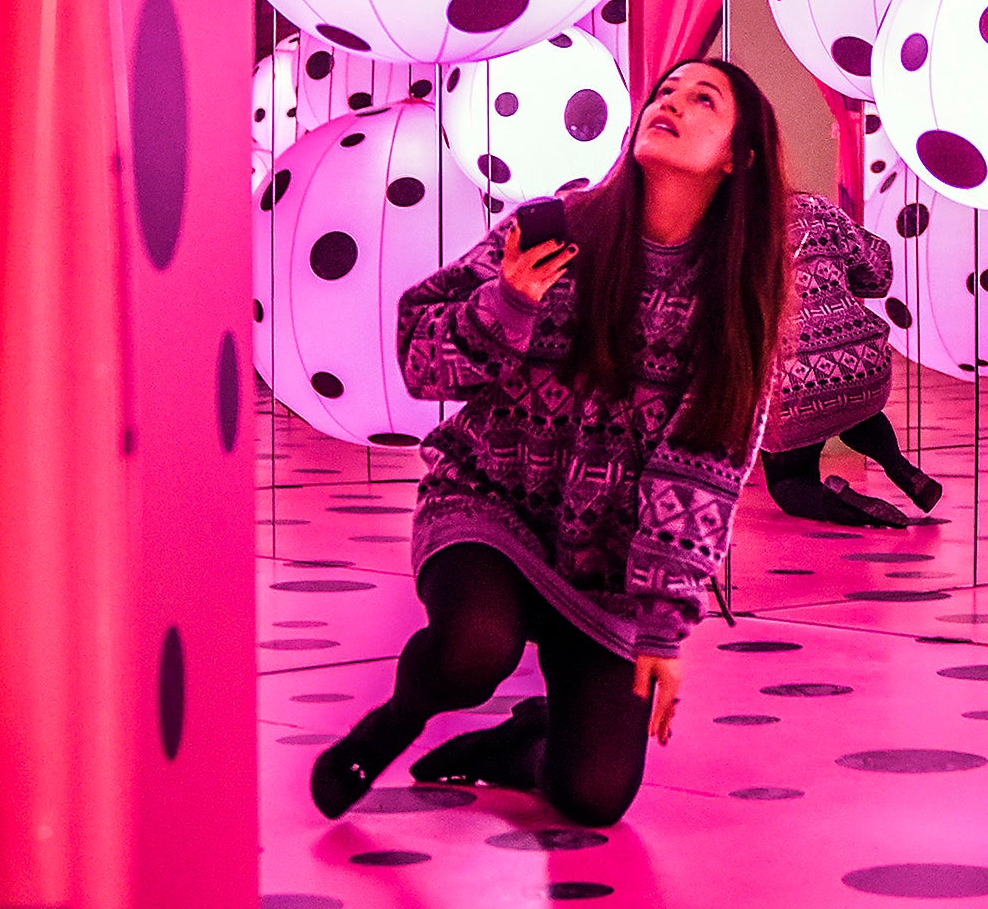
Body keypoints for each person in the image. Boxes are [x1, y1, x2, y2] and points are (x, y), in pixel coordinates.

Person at [309, 59, 792, 827]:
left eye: (704, 100)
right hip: (488, 504)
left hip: (598, 571)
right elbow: (418, 352)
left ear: (739, 157)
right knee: (475, 649)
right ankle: (393, 723)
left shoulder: (732, 310)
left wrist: (664, 625)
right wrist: (506, 305)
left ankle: (524, 743)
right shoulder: (561, 228)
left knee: (592, 798)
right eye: (667, 89)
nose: (671, 102)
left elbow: (700, 473)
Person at [758, 192, 945, 528]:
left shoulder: (717, 226)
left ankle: (842, 501)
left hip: (789, 385)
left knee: (787, 481)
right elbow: (877, 272)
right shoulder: (816, 208)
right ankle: (900, 467)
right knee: (854, 410)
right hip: (862, 364)